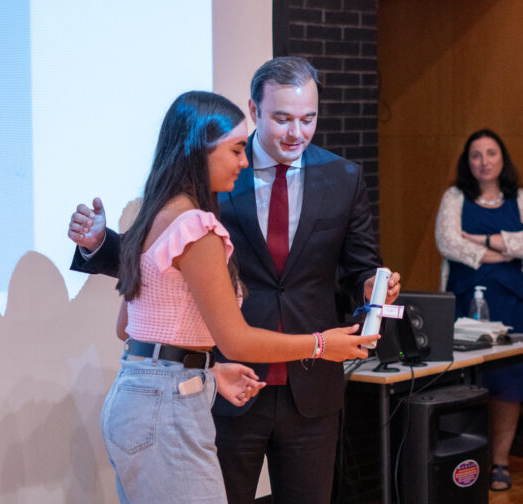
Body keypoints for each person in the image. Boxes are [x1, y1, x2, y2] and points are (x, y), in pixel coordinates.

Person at [68, 57, 401, 504]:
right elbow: (159, 262)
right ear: (255, 109)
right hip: (222, 384)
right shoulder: (207, 199)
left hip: (279, 387)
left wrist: (369, 287)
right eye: (282, 119)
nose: (295, 133)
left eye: (308, 119)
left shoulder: (342, 176)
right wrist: (322, 344)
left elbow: (136, 308)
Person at [434, 128, 523, 491]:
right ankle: (466, 463)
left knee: (508, 385)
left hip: (514, 304)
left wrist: (481, 239)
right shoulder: (455, 196)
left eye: (491, 154)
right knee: (467, 381)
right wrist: (499, 252)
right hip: (465, 304)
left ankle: (499, 462)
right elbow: (447, 241)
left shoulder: (522, 197)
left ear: (503, 159)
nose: (484, 162)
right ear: (467, 162)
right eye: (476, 155)